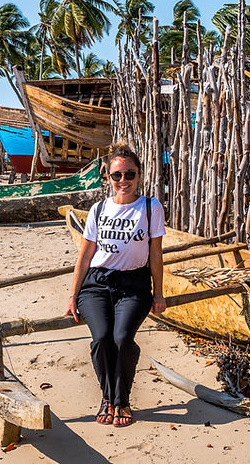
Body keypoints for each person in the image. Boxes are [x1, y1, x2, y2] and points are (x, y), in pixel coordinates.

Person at [66, 144, 166, 428]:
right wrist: (73, 295)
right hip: (96, 284)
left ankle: (121, 400)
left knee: (122, 338)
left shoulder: (150, 207)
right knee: (101, 339)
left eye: (129, 174)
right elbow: (85, 255)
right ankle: (108, 398)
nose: (123, 181)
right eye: (116, 175)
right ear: (108, 178)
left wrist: (159, 293)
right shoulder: (98, 210)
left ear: (139, 176)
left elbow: (156, 254)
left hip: (133, 285)